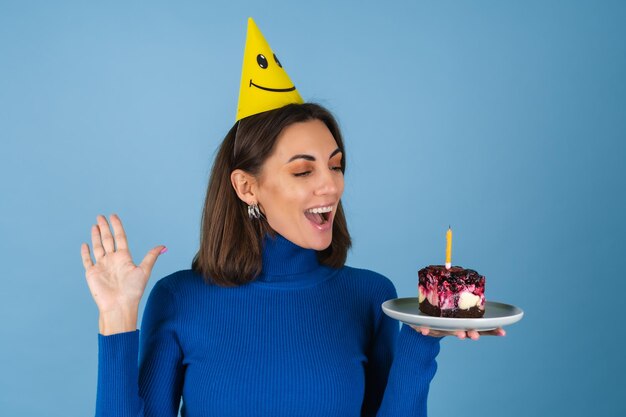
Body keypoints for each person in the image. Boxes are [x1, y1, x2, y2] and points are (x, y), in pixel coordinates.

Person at [81, 103, 505, 417]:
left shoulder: (369, 295)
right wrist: (118, 320)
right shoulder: (179, 298)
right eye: (304, 172)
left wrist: (421, 341)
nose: (330, 186)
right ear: (247, 187)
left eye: (336, 166)